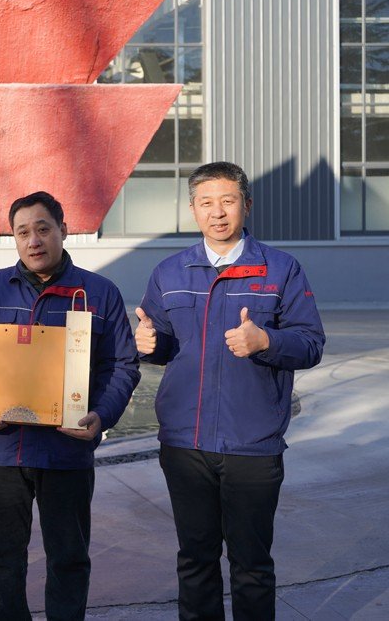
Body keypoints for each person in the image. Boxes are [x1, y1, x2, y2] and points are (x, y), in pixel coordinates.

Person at [135, 161, 325, 620]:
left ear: (246, 205)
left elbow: (310, 344)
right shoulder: (169, 272)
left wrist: (266, 341)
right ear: (192, 209)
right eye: (206, 203)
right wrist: (148, 344)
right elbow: (163, 343)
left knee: (251, 564)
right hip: (185, 443)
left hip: (252, 443)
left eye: (227, 201)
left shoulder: (280, 269)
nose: (217, 212)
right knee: (195, 559)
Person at [0, 191, 140, 620]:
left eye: (42, 229)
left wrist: (101, 415)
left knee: (69, 558)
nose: (33, 240)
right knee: (3, 559)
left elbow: (121, 366)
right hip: (2, 450)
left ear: (63, 230)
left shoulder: (99, 294)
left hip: (66, 451)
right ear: (14, 238)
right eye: (23, 232)